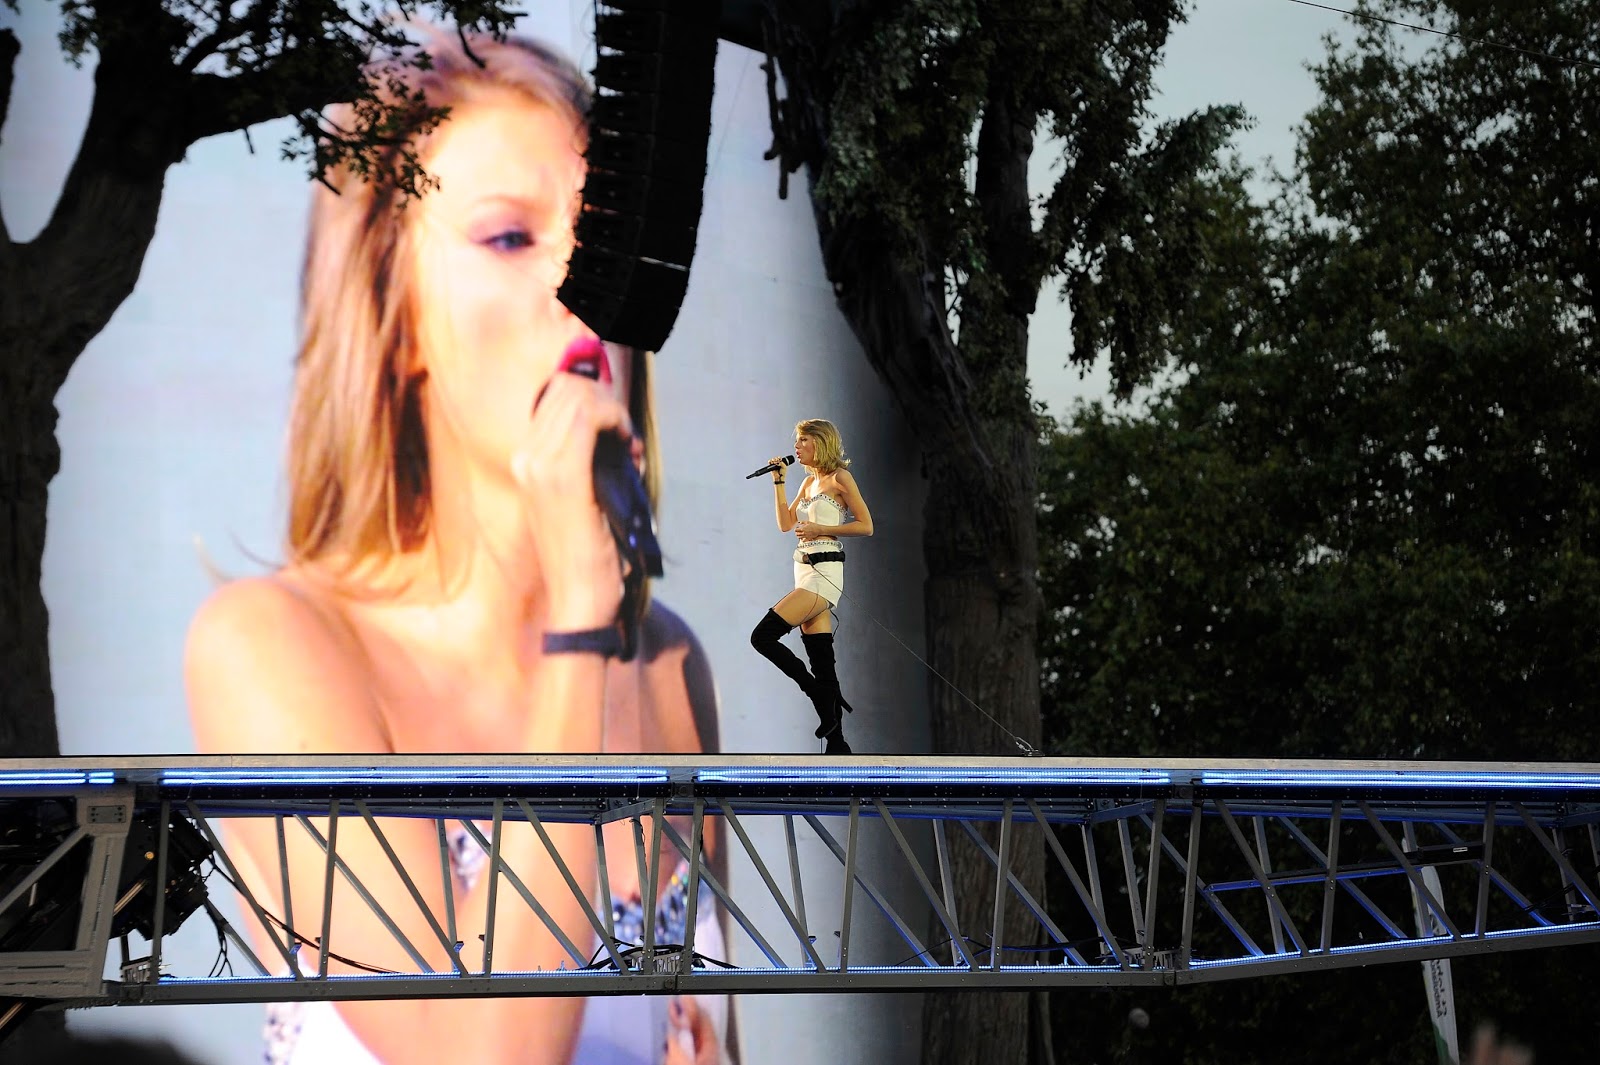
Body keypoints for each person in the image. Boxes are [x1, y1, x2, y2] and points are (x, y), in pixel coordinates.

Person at [183, 30, 731, 1065]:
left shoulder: (666, 661)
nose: (581, 282)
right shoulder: (274, 646)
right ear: (392, 313)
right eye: (511, 237)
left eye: (601, 239)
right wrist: (577, 628)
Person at [749, 419, 874, 754]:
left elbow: (866, 526)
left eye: (803, 440)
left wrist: (821, 529)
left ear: (821, 442)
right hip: (803, 570)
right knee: (822, 661)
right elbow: (786, 523)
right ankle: (837, 743)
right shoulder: (807, 483)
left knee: (763, 636)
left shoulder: (840, 478)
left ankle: (816, 692)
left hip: (825, 572)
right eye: (797, 440)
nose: (797, 446)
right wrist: (779, 482)